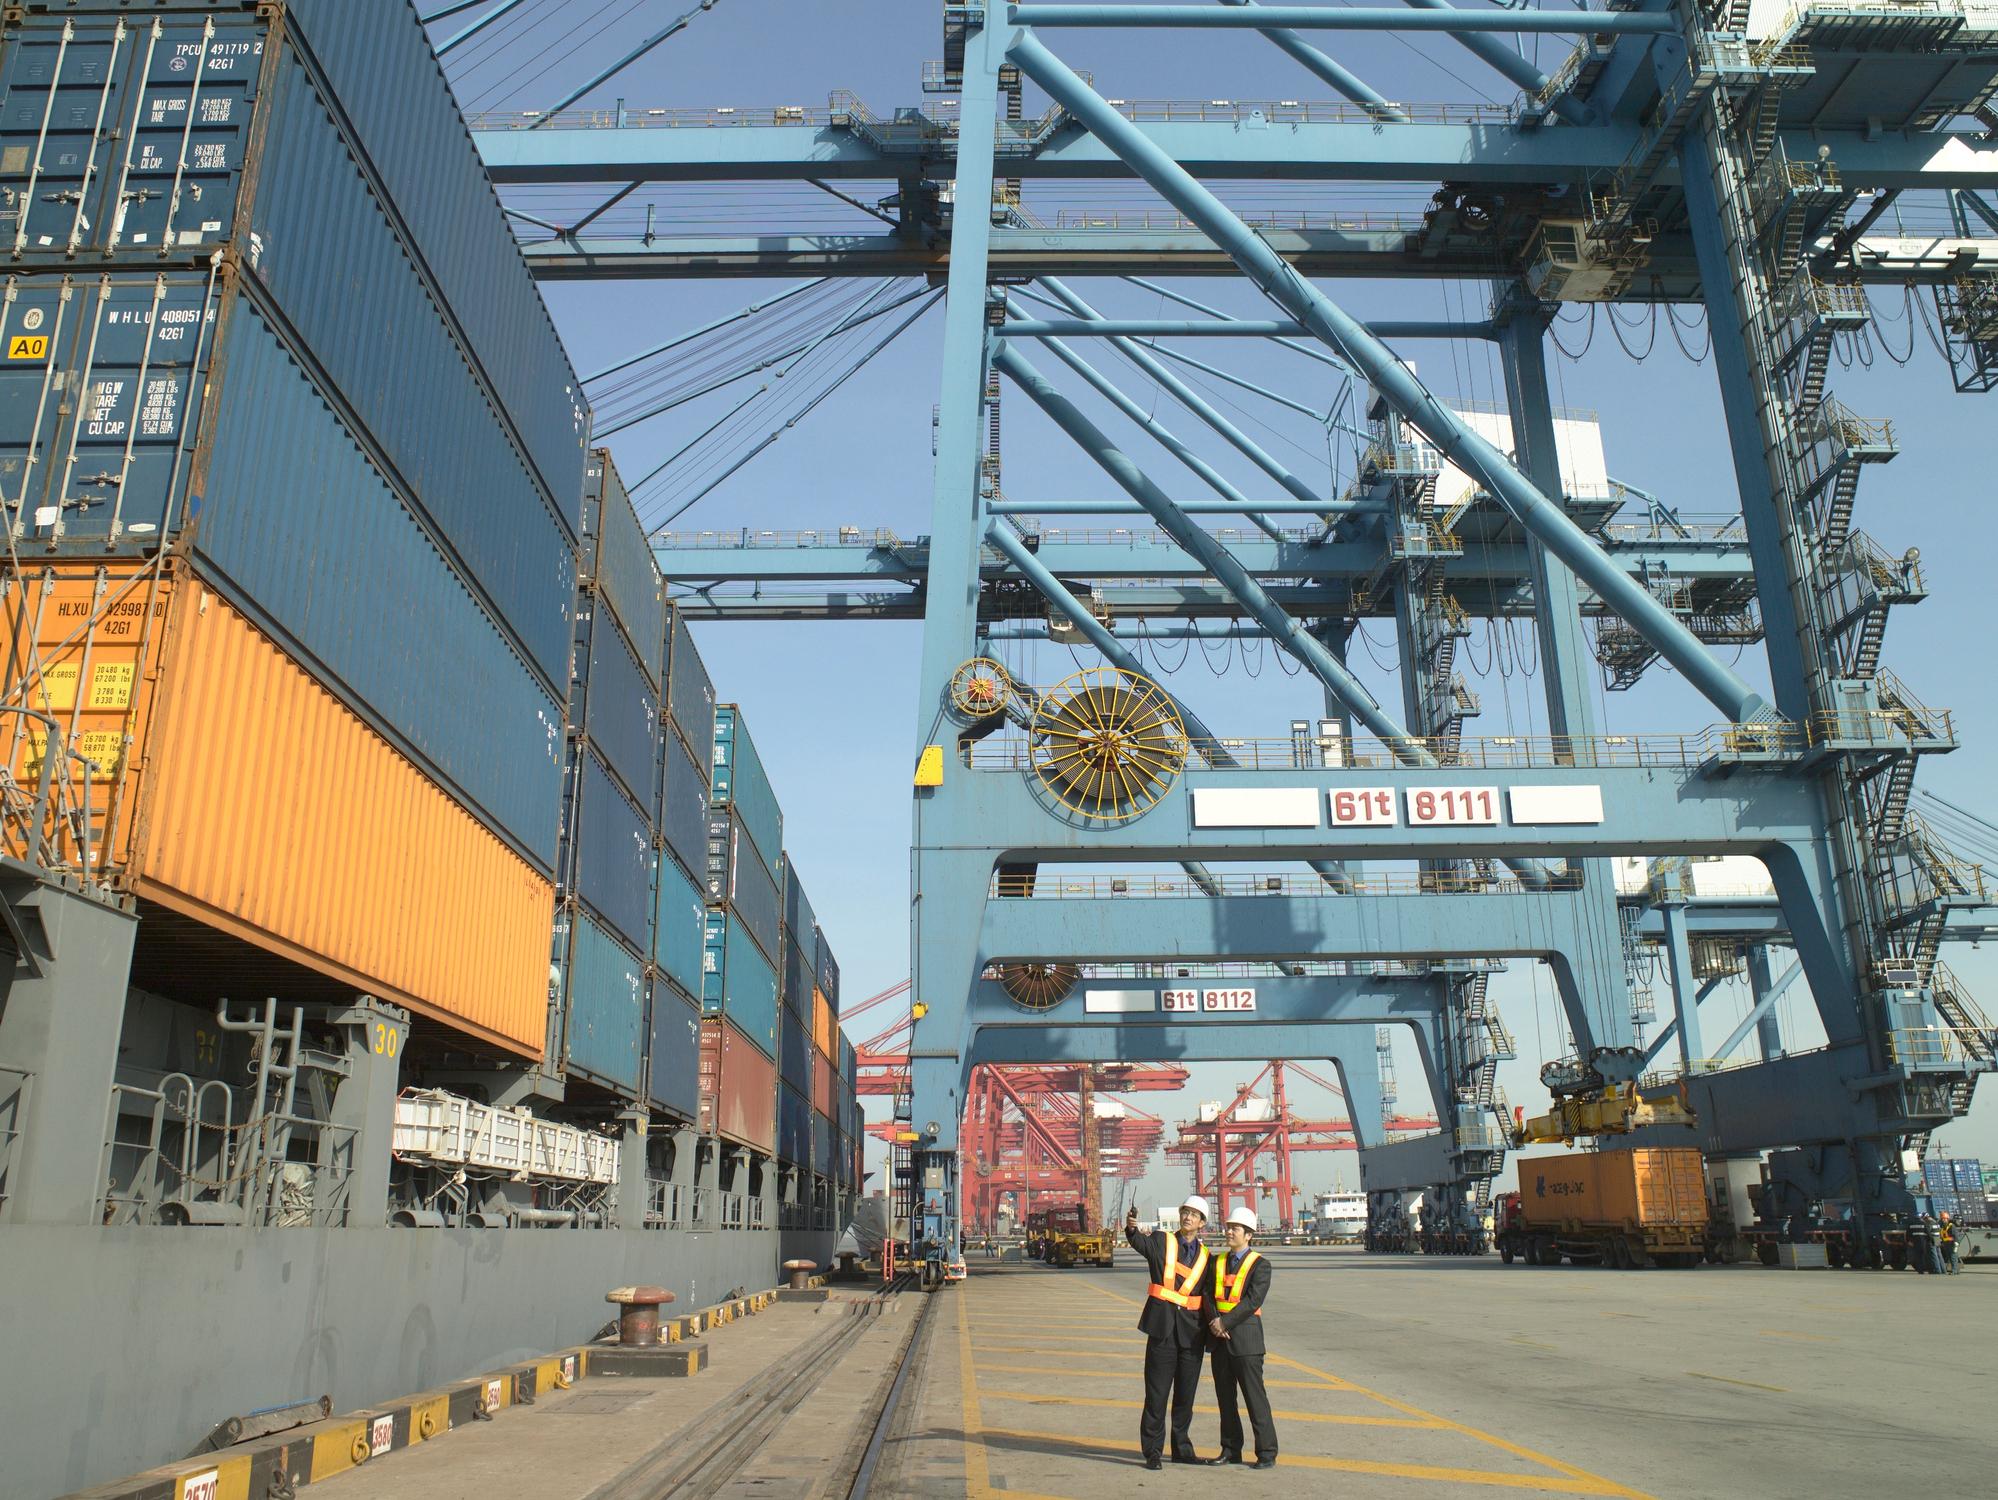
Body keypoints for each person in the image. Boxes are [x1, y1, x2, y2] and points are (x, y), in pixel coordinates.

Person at [1125, 1196, 1213, 1469]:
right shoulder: (1162, 1240)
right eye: (1185, 1212)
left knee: (1186, 1396)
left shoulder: (1207, 1257)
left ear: (1202, 1223)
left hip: (1192, 1334)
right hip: (1162, 1330)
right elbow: (1140, 1243)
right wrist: (1131, 1229)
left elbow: (1210, 1295)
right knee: (1157, 1394)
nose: (1188, 1217)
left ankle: (1181, 1449)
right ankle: (1152, 1451)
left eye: (1194, 1214)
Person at [1205, 1206, 1277, 1470]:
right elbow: (1207, 1295)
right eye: (1229, 1227)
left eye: (1235, 1228)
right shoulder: (1217, 1262)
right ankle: (1230, 1449)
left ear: (1248, 1234)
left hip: (1246, 1342)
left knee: (1255, 1398)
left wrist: (1224, 1321)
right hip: (1219, 1339)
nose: (1230, 1231)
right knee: (1225, 1400)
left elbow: (1253, 1300)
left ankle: (1267, 1452)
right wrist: (1214, 1322)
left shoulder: (1261, 1265)